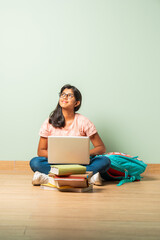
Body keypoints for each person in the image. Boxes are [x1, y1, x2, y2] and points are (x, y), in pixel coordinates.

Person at [30, 84, 111, 186]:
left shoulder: (84, 121)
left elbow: (101, 148)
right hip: (56, 164)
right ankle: (86, 178)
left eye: (69, 95)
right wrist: (59, 156)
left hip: (79, 164)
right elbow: (40, 151)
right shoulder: (49, 122)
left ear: (76, 103)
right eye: (63, 94)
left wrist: (82, 154)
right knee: (35, 162)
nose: (64, 97)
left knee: (105, 161)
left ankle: (51, 179)